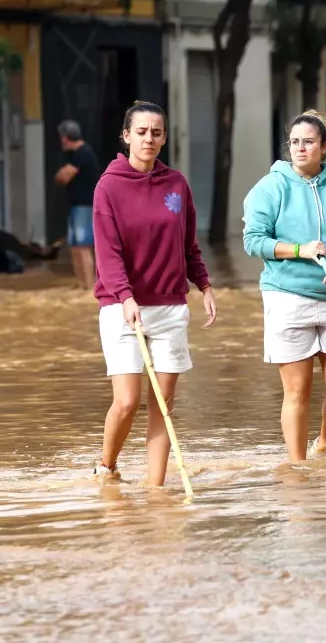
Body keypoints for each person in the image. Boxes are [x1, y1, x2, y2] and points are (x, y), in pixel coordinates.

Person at [91, 101, 217, 485]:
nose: (149, 139)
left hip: (169, 308)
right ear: (126, 136)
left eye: (156, 133)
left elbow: (188, 244)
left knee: (163, 406)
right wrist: (127, 297)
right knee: (127, 401)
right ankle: (107, 467)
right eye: (141, 132)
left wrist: (204, 284)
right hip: (121, 307)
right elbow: (107, 253)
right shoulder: (108, 186)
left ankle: (156, 491)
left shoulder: (176, 184)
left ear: (164, 138)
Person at [242, 110, 326, 462]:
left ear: (324, 147)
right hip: (287, 296)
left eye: (309, 142)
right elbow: (254, 241)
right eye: (295, 142)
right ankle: (298, 468)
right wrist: (299, 250)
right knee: (297, 390)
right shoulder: (270, 188)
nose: (300, 148)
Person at [55, 120, 101, 289]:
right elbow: (61, 176)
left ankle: (90, 286)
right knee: (75, 247)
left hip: (85, 205)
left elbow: (63, 177)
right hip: (76, 205)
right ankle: (81, 284)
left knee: (83, 246)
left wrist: (63, 173)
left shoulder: (83, 153)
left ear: (66, 138)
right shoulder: (75, 155)